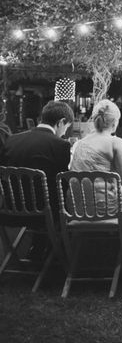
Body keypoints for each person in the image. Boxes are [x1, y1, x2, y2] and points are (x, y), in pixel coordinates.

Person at [69, 100, 122, 280]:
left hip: (78, 209)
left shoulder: (80, 143)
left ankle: (113, 259)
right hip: (107, 212)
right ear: (115, 122)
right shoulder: (116, 142)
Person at [1, 101, 73, 257]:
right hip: (42, 213)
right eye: (66, 128)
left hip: (9, 209)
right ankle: (63, 255)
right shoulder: (60, 145)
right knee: (68, 201)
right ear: (61, 122)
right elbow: (62, 185)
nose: (64, 133)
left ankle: (38, 246)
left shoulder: (12, 140)